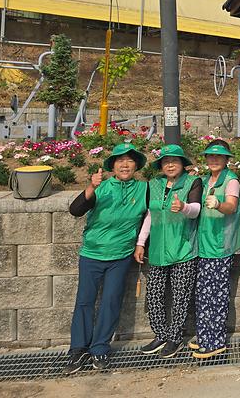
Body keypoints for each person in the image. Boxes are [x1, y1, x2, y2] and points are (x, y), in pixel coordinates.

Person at [63, 144, 148, 374]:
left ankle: (100, 347)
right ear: (112, 166)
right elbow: (76, 209)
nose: (125, 165)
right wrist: (91, 186)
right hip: (92, 253)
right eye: (120, 161)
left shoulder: (143, 189)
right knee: (84, 301)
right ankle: (78, 348)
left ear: (136, 166)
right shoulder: (101, 186)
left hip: (120, 256)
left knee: (110, 301)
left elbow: (155, 210)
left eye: (130, 161)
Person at [135, 144, 203, 359]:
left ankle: (174, 337)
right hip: (158, 250)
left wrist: (183, 207)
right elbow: (150, 215)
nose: (170, 164)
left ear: (183, 164)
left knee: (180, 296)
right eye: (166, 161)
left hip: (183, 248)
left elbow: (196, 210)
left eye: (175, 161)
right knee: (154, 294)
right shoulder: (154, 184)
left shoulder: (193, 182)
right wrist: (140, 242)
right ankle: (160, 334)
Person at [191, 139, 240, 359]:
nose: (213, 160)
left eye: (218, 156)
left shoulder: (231, 180)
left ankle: (215, 341)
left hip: (221, 247)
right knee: (203, 294)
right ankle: (204, 336)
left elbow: (231, 206)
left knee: (217, 295)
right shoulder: (203, 180)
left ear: (226, 159)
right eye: (210, 156)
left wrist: (219, 204)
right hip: (204, 245)